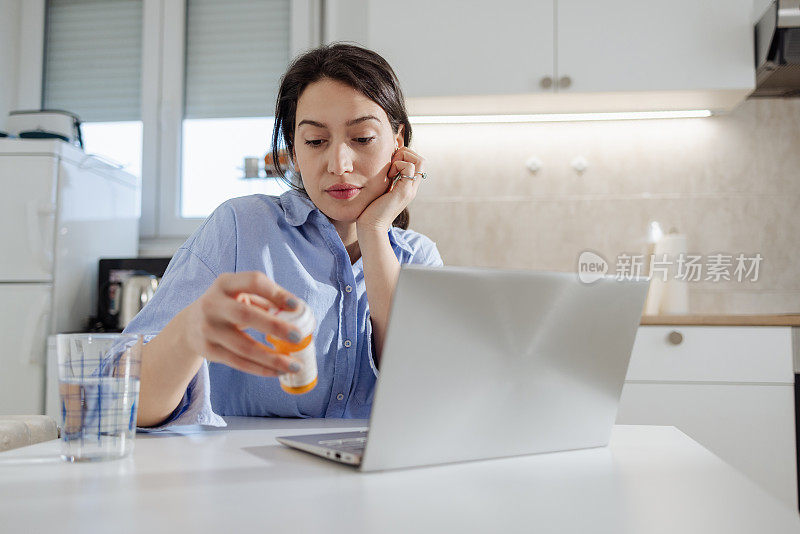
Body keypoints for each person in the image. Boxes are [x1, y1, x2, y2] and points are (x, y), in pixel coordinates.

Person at [126, 43, 443, 429]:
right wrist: (189, 332)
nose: (339, 165)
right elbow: (128, 404)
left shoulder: (418, 258)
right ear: (294, 149)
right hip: (248, 477)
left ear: (399, 140)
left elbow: (427, 389)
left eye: (362, 139)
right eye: (315, 142)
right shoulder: (241, 227)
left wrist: (374, 231)